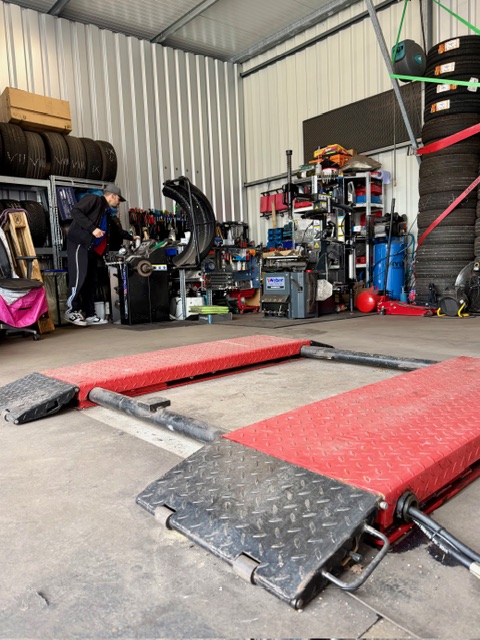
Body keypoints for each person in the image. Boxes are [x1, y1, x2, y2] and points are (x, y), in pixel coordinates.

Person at [65, 183, 135, 327]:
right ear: (112, 196)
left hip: (92, 249)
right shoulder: (94, 200)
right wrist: (92, 229)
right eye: (118, 199)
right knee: (78, 277)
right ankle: (71, 310)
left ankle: (90, 314)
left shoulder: (106, 212)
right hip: (79, 244)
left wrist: (132, 237)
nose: (119, 203)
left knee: (91, 281)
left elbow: (116, 231)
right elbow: (75, 211)